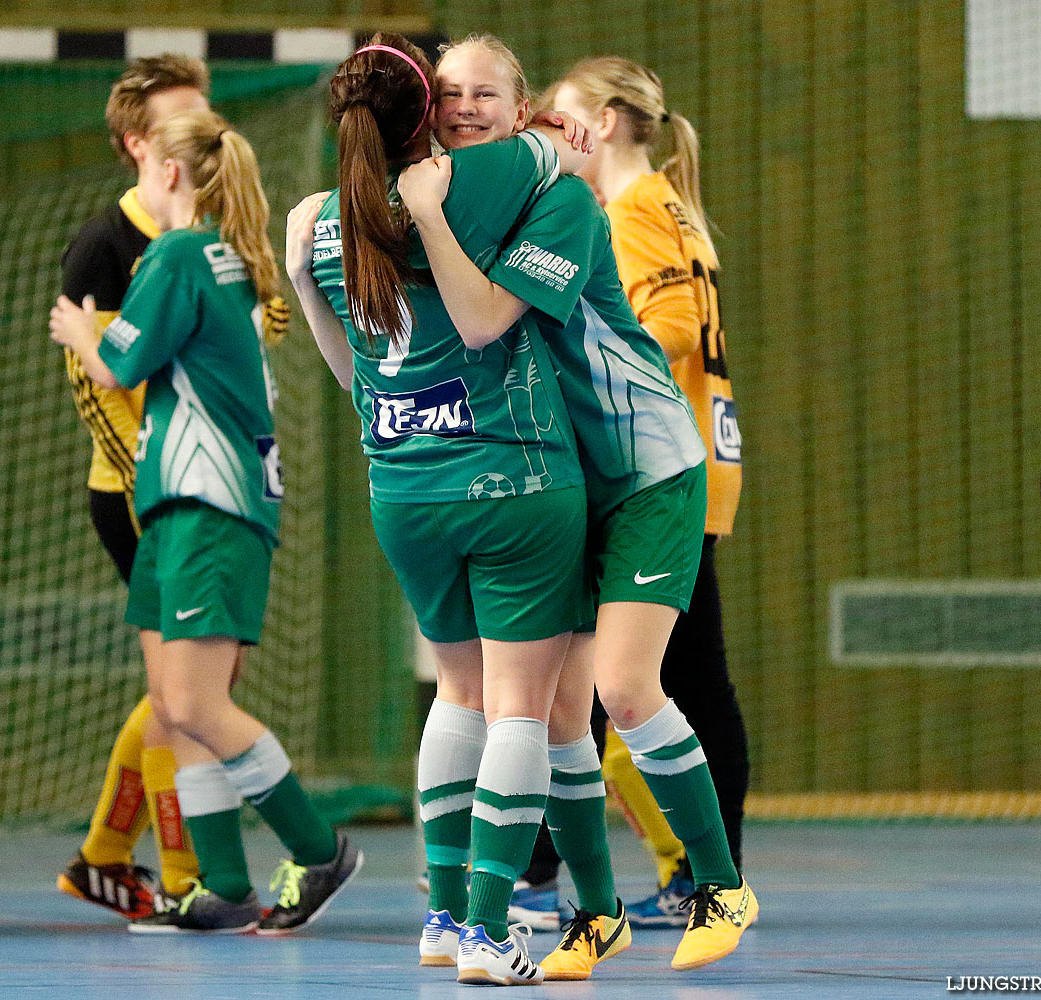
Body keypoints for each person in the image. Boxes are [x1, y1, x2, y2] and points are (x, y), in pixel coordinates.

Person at [402, 38, 757, 979]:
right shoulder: (484, 201)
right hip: (566, 483)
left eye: (488, 93)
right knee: (560, 715)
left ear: (527, 115)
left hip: (646, 468)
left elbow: (483, 321)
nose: (464, 106)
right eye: (449, 93)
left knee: (624, 689)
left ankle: (719, 884)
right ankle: (594, 915)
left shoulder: (564, 203)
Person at [286, 33, 591, 986]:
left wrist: (299, 276)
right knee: (519, 711)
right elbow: (557, 161)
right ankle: (492, 931)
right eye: (451, 95)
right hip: (508, 479)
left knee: (457, 694)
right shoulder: (471, 186)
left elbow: (356, 378)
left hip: (402, 489)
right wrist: (557, 132)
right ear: (427, 118)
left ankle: (442, 914)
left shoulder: (323, 221)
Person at [50, 109, 359, 935]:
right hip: (189, 501)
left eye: (151, 159)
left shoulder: (181, 253)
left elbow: (122, 363)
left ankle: (318, 845)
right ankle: (221, 881)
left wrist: (83, 330)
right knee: (179, 705)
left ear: (174, 174)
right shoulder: (222, 260)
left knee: (197, 702)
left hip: (206, 504)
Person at [518, 54, 752, 931]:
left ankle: (693, 874)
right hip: (686, 460)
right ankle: (686, 871)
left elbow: (670, 328)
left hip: (653, 467)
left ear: (607, 122)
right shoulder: (671, 206)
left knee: (622, 679)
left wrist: (586, 360)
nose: (554, 136)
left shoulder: (634, 208)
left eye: (565, 118)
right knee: (669, 680)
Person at [56, 52, 213, 923]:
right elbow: (100, 388)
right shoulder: (104, 247)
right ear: (135, 143)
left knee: (182, 693)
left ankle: (105, 858)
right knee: (186, 695)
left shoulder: (214, 232)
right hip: (140, 495)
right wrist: (158, 490)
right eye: (178, 122)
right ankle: (185, 878)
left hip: (204, 489)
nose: (202, 135)